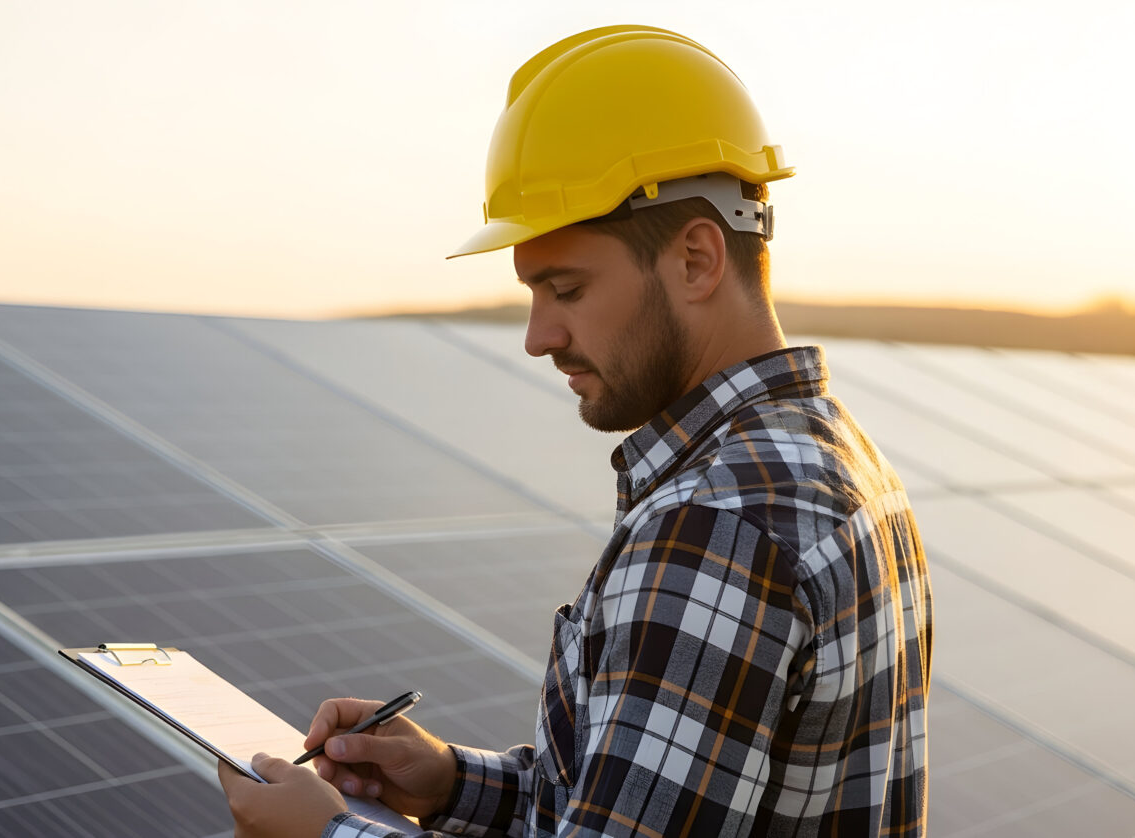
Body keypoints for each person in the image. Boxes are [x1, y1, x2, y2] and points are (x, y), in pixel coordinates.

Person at [220, 25, 932, 838]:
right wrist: (452, 783)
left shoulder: (715, 530)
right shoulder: (839, 460)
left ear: (697, 259)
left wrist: (323, 834)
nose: (538, 336)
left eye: (566, 288)